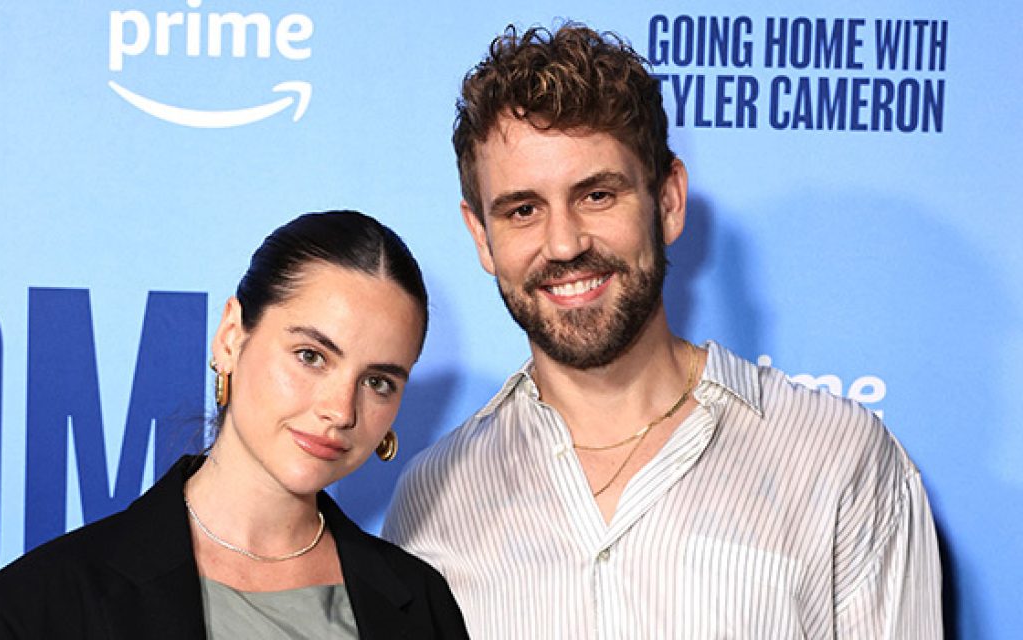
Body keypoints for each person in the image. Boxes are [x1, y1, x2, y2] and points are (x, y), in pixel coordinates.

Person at [382, 24, 942, 639]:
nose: (564, 243)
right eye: (523, 210)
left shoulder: (840, 460)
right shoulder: (432, 500)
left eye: (597, 195)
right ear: (480, 237)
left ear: (668, 200)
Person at [0, 211, 469, 639]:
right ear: (230, 337)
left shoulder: (421, 606)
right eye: (310, 355)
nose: (341, 410)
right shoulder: (27, 615)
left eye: (378, 381)